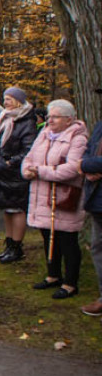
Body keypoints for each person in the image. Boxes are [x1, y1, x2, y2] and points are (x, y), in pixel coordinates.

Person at [21, 100, 89, 300]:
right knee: (47, 236)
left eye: (56, 117)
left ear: (69, 119)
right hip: (41, 195)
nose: (50, 120)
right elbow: (29, 157)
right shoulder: (43, 134)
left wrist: (40, 171)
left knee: (67, 240)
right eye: (49, 116)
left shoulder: (78, 138)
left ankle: (70, 283)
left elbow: (72, 168)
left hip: (64, 197)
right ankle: (53, 275)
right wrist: (27, 170)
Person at [0, 88, 37, 264]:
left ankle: (17, 247)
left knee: (16, 210)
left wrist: (11, 162)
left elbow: (29, 149)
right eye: (5, 99)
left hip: (15, 174)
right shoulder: (5, 117)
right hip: (1, 172)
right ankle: (8, 245)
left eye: (9, 99)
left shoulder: (26, 121)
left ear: (18, 101)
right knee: (7, 210)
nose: (5, 102)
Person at [80, 87, 102, 316]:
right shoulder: (99, 125)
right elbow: (86, 153)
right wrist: (87, 166)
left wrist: (90, 166)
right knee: (98, 247)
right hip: (97, 197)